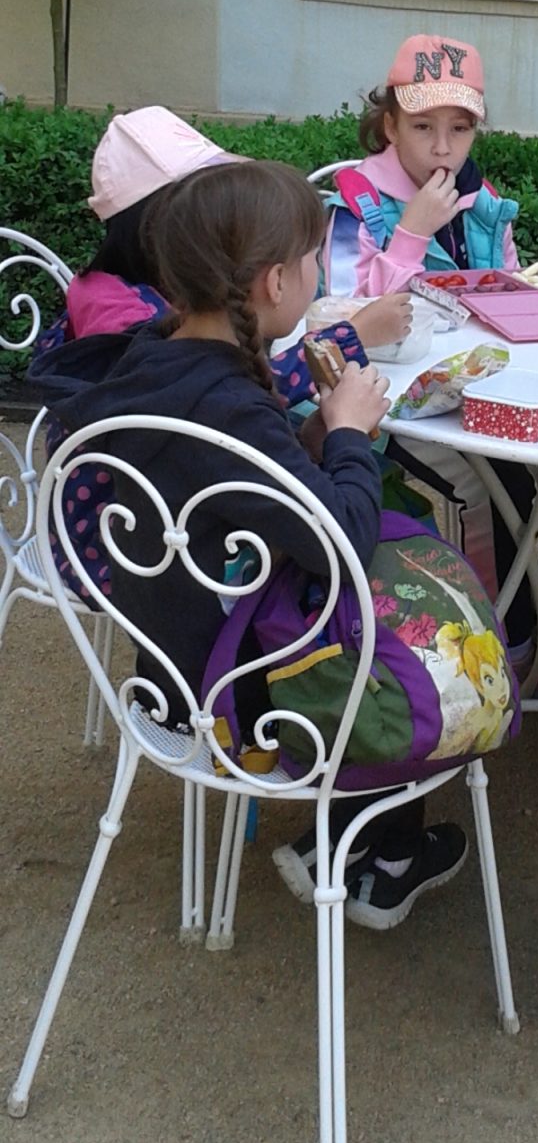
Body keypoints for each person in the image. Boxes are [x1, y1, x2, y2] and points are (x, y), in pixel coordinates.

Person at [31, 160, 467, 932]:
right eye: (312, 260)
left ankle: (349, 832)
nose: (316, 275)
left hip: (162, 671)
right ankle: (386, 852)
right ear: (274, 282)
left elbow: (253, 488)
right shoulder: (232, 405)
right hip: (240, 700)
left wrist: (314, 434)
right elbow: (342, 541)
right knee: (407, 628)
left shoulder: (152, 357)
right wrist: (348, 434)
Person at [321, 32, 538, 710]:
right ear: (388, 124)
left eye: (458, 128)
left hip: (480, 381)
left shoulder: (480, 197)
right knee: (492, 487)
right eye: (422, 126)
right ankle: (508, 649)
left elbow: (503, 287)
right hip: (385, 401)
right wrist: (412, 233)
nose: (442, 147)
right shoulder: (354, 202)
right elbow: (343, 323)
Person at [34, 105, 412, 411]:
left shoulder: (126, 284)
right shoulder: (128, 318)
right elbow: (226, 401)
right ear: (164, 223)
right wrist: (350, 336)